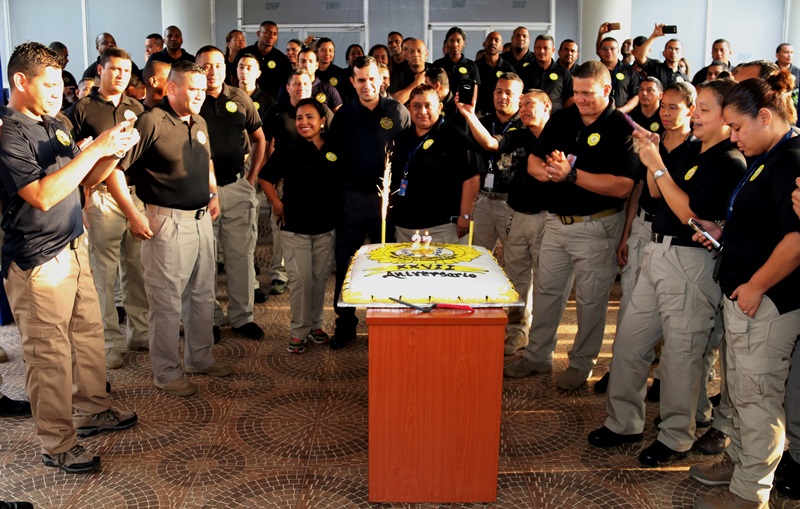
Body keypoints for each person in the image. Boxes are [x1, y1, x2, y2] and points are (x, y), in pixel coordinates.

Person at [590, 79, 745, 471]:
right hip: (657, 251)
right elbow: (657, 194)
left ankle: (676, 435)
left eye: (704, 109)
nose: (695, 115)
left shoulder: (729, 161)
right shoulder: (690, 149)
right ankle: (623, 422)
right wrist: (652, 158)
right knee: (630, 342)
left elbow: (690, 215)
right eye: (697, 107)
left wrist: (658, 167)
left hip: (691, 261)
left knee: (681, 355)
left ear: (727, 116)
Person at [0, 42, 139, 473]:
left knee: (88, 337)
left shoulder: (56, 123)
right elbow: (41, 196)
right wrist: (94, 150)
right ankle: (57, 443)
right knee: (50, 357)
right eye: (48, 84)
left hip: (73, 247)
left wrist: (112, 152)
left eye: (60, 84)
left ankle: (92, 409)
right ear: (20, 81)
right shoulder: (8, 132)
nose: (58, 92)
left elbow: (85, 180)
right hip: (37, 261)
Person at [688, 70, 800, 509]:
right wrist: (724, 233)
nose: (732, 136)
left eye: (737, 127)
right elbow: (765, 225)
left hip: (766, 301)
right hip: (747, 294)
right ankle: (740, 462)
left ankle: (750, 492)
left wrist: (756, 285)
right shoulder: (768, 154)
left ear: (765, 117)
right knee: (742, 391)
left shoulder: (790, 161)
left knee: (757, 400)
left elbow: (796, 240)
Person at [503, 61, 637, 390]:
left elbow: (622, 187)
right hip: (555, 221)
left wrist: (571, 175)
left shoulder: (621, 127)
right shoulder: (563, 118)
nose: (580, 99)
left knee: (590, 301)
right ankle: (537, 355)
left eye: (587, 93)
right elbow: (534, 162)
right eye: (576, 92)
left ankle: (581, 363)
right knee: (547, 292)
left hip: (596, 225)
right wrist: (551, 173)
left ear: (607, 90)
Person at [116, 60, 233, 397]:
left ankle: (200, 358)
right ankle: (166, 373)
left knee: (202, 295)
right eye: (192, 89)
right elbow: (115, 168)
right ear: (171, 88)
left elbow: (207, 160)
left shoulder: (198, 121)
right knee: (166, 303)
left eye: (202, 90)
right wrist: (133, 214)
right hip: (165, 224)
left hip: (201, 221)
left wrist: (213, 192)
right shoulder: (151, 120)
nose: (199, 95)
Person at [65, 47, 148, 369]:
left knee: (137, 269)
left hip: (134, 195)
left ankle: (140, 332)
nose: (121, 76)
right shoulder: (81, 109)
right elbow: (70, 159)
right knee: (104, 275)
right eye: (114, 69)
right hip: (99, 196)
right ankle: (109, 342)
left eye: (126, 71)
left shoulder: (136, 108)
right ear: (100, 70)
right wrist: (82, 202)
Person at [457, 88, 555, 355]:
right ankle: (516, 332)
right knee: (517, 278)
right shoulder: (520, 135)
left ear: (546, 106)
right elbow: (491, 144)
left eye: (529, 104)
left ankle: (541, 344)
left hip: (548, 218)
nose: (523, 109)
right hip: (518, 214)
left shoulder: (561, 134)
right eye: (521, 105)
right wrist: (469, 115)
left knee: (546, 283)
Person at [327, 56, 410, 349]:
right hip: (352, 200)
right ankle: (345, 323)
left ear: (381, 79)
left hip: (386, 204)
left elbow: (408, 156)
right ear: (352, 82)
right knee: (346, 263)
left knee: (385, 263)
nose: (367, 85)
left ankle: (384, 322)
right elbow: (333, 156)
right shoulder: (344, 116)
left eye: (372, 79)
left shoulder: (397, 111)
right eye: (361, 80)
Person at [194, 46, 267, 342]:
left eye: (218, 65)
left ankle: (242, 317)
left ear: (226, 68)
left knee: (241, 257)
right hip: (199, 193)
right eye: (205, 66)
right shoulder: (191, 99)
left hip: (237, 188)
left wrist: (251, 179)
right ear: (197, 69)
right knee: (205, 260)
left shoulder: (240, 98)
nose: (212, 71)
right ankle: (210, 317)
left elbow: (259, 139)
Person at [259, 98, 338, 353]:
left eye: (310, 117)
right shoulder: (289, 149)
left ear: (322, 120)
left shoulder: (334, 148)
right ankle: (298, 331)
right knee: (301, 281)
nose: (304, 122)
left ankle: (316, 325)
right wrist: (276, 204)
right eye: (300, 118)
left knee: (319, 279)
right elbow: (265, 178)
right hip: (295, 228)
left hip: (326, 228)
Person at [390, 84, 481, 243]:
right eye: (416, 106)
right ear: (408, 108)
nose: (422, 111)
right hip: (404, 227)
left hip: (441, 228)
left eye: (428, 106)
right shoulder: (402, 138)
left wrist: (466, 215)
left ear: (439, 107)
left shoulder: (455, 137)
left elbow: (472, 176)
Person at [233, 21, 291, 99]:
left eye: (275, 34)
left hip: (271, 102)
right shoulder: (243, 53)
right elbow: (233, 76)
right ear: (258, 34)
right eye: (267, 33)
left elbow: (286, 84)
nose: (271, 36)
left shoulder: (281, 59)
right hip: (244, 98)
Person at [518, 34, 573, 110]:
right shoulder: (524, 71)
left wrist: (562, 113)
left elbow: (570, 97)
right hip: (530, 114)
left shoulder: (563, 72)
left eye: (546, 48)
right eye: (538, 48)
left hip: (556, 115)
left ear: (553, 50)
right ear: (534, 49)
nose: (541, 51)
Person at [597, 34, 640, 113]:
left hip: (622, 115)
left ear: (618, 50)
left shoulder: (629, 72)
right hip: (598, 114)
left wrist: (621, 111)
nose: (609, 51)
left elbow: (636, 97)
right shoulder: (594, 71)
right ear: (600, 51)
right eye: (605, 49)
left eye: (612, 48)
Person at [432, 27, 481, 94]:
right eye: (451, 41)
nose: (455, 44)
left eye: (458, 41)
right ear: (447, 43)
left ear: (464, 43)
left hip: (463, 101)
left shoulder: (471, 65)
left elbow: (474, 91)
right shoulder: (438, 64)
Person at [475, 31, 514, 115]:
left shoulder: (508, 68)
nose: (493, 42)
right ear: (484, 44)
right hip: (479, 114)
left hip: (502, 113)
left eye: (496, 40)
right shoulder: (475, 66)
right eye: (490, 39)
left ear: (501, 47)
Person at [390, 39, 430, 105]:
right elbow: (393, 102)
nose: (415, 54)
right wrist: (417, 83)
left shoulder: (435, 71)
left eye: (419, 51)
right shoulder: (398, 74)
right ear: (406, 55)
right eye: (412, 52)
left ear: (426, 54)